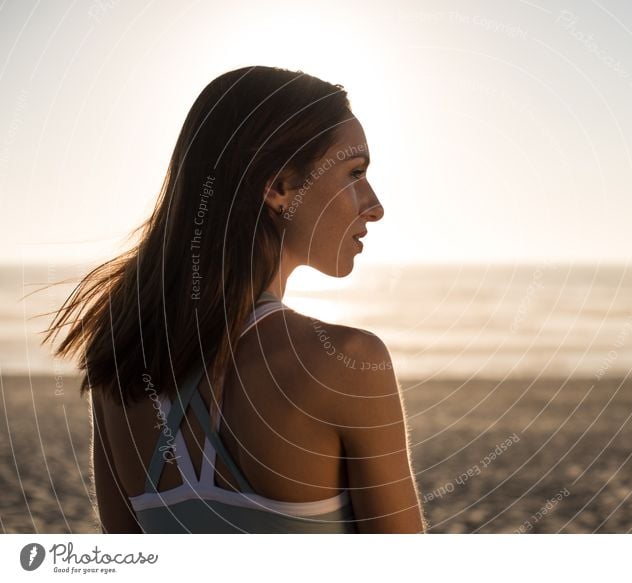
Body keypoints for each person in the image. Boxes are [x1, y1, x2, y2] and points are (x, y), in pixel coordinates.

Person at [43, 65, 428, 533]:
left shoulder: (119, 360)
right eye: (355, 173)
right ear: (279, 187)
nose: (374, 204)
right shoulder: (345, 363)